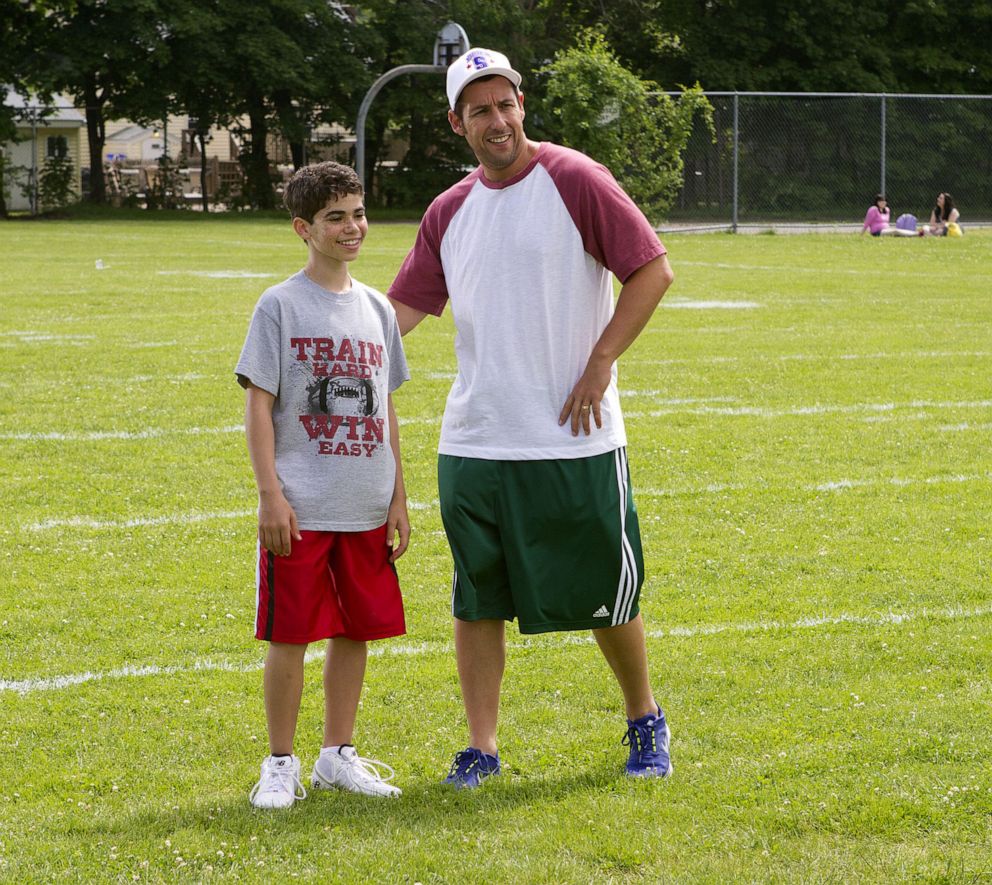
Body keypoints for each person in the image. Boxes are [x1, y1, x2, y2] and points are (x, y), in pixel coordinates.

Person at [387, 48, 676, 788]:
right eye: (479, 109)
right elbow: (405, 311)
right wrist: (329, 342)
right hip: (476, 440)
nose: (498, 120)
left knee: (607, 593)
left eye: (506, 103)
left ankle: (645, 720)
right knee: (475, 597)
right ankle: (480, 747)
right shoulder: (449, 210)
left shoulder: (576, 178)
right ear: (458, 123)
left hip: (573, 436)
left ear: (523, 105)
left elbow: (651, 268)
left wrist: (602, 358)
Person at [235, 161, 411, 808]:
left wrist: (398, 495)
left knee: (356, 629)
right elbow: (259, 402)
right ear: (303, 228)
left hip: (365, 501)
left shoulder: (377, 308)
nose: (352, 226)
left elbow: (385, 407)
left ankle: (339, 753)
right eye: (336, 217)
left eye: (359, 213)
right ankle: (281, 761)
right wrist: (270, 494)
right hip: (302, 505)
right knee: (290, 634)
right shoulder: (280, 305)